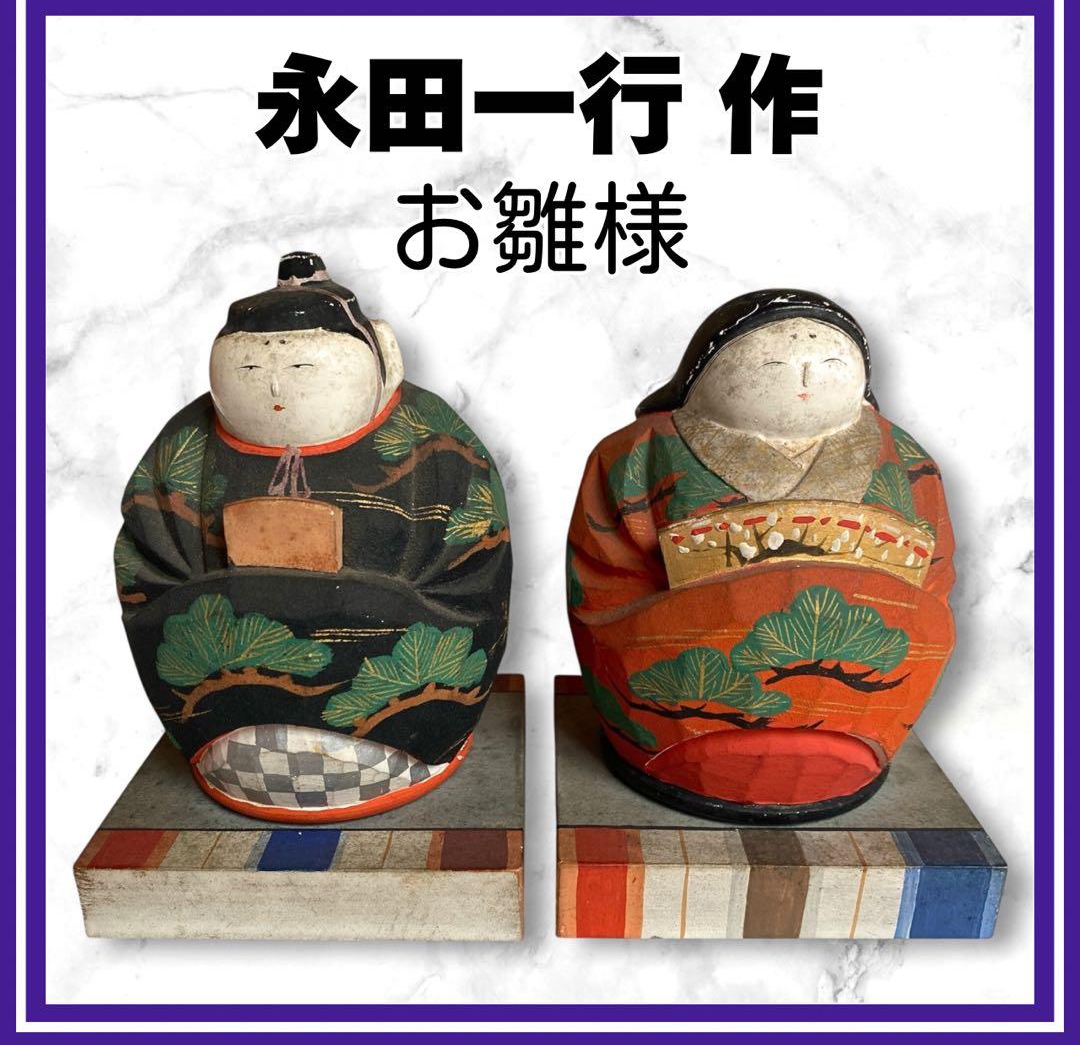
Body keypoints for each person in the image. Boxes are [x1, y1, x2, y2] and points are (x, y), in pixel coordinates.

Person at [116, 252, 511, 821]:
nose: (276, 386)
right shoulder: (186, 445)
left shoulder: (432, 439)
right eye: (250, 369)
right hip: (224, 735)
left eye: (302, 367)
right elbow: (146, 571)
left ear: (383, 356)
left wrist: (363, 605)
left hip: (399, 740)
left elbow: (475, 579)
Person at [567, 289, 955, 822]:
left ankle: (853, 747)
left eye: (831, 364)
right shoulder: (636, 451)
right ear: (701, 376)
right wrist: (718, 612)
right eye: (772, 364)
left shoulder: (907, 459)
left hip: (870, 696)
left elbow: (936, 578)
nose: (803, 380)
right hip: (688, 703)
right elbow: (603, 582)